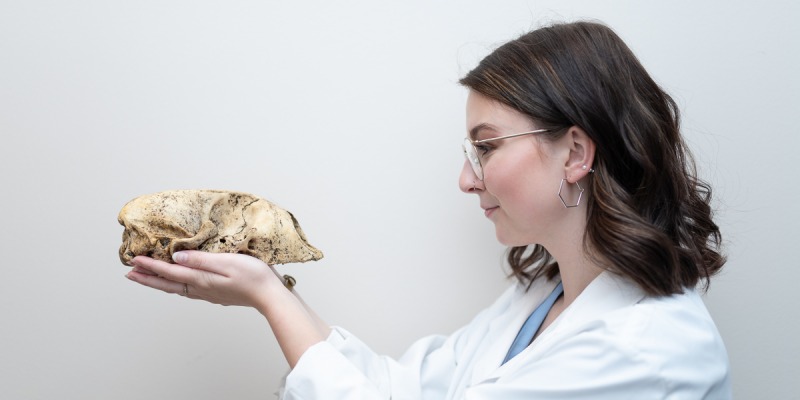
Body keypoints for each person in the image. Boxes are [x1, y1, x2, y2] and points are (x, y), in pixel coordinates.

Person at [126, 21, 731, 399]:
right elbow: (400, 389)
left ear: (574, 151)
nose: (467, 179)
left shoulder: (643, 351)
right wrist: (270, 291)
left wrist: (271, 299)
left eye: (487, 147)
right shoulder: (541, 298)